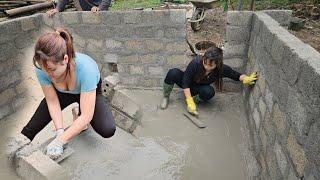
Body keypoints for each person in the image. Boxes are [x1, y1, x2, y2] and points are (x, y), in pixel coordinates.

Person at [21, 28, 116, 159]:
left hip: (87, 91)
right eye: (44, 70)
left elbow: (87, 116)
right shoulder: (42, 67)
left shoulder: (86, 69)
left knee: (107, 129)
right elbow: (52, 101)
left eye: (52, 70)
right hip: (60, 93)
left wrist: (60, 141)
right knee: (29, 130)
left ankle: (79, 111)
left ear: (65, 59)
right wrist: (60, 131)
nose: (48, 74)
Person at [160, 46, 257, 115]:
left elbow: (235, 75)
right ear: (203, 59)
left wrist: (246, 79)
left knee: (209, 91)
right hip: (187, 84)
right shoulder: (196, 63)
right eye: (205, 63)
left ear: (217, 64)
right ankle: (166, 97)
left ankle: (194, 101)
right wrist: (189, 101)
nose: (206, 66)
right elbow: (185, 82)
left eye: (210, 65)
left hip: (199, 89)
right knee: (173, 72)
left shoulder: (221, 69)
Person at [47, 0, 112, 17]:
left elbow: (106, 0)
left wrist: (99, 8)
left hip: (98, 11)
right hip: (83, 13)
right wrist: (57, 8)